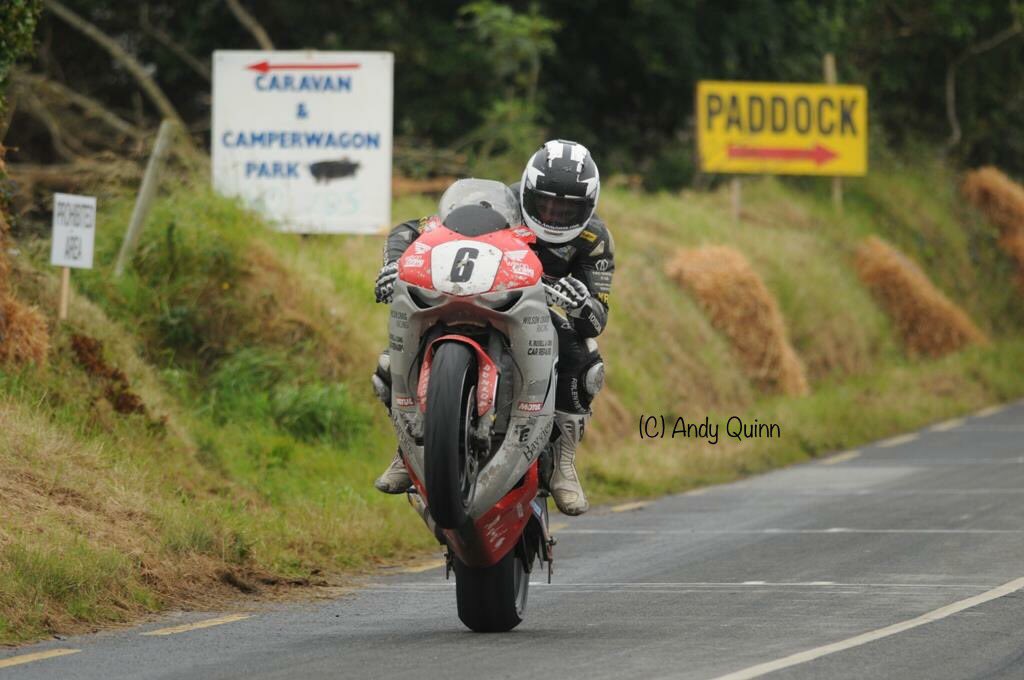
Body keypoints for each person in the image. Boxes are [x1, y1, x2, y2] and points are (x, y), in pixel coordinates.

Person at [372, 140, 615, 516]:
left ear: (589, 206)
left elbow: (597, 317)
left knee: (584, 358)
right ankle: (408, 452)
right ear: (528, 190)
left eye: (568, 208)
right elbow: (416, 228)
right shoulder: (500, 205)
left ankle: (563, 463)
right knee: (392, 360)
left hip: (532, 312)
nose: (554, 213)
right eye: (546, 202)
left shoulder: (593, 240)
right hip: (476, 295)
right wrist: (393, 265)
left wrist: (581, 304)